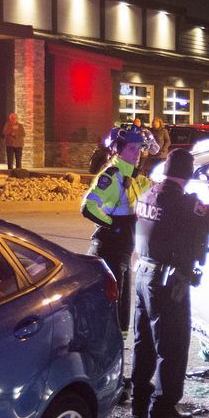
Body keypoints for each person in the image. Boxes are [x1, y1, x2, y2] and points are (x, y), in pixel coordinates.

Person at [130, 148, 209, 418]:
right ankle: (163, 410)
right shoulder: (183, 204)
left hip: (143, 276)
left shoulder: (147, 194)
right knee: (172, 346)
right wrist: (200, 203)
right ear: (187, 176)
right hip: (167, 283)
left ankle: (139, 403)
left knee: (143, 342)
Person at [82, 126, 154, 393]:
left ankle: (114, 378)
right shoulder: (111, 176)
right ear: (118, 150)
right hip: (108, 250)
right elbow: (88, 206)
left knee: (122, 319)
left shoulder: (134, 176)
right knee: (108, 317)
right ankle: (103, 380)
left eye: (139, 149)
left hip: (123, 252)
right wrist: (112, 224)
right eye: (133, 149)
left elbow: (154, 190)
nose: (138, 154)